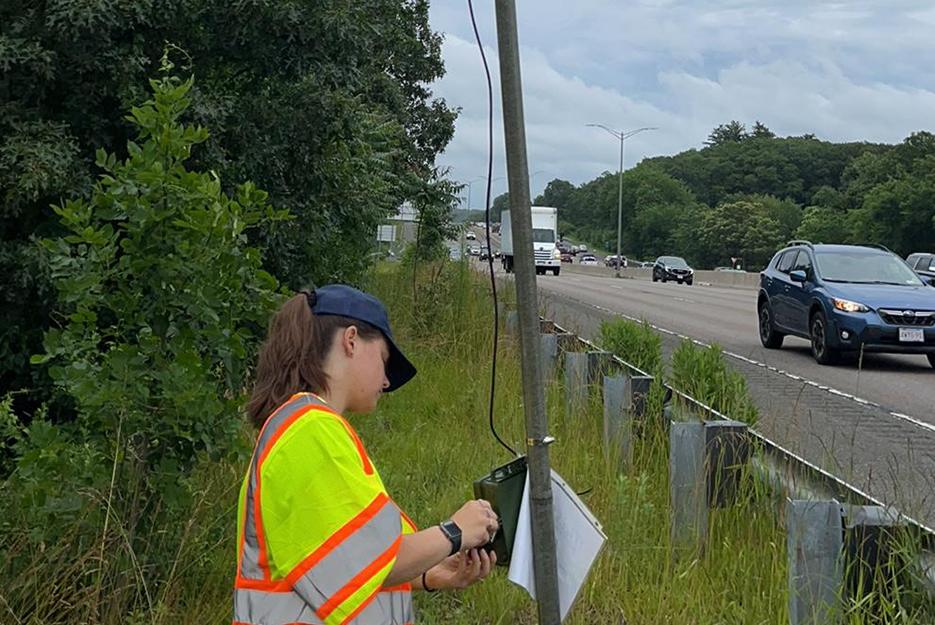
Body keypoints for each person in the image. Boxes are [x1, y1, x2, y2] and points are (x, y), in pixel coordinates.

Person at [233, 284, 499, 625]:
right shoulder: (308, 430)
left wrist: (429, 574)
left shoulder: (307, 428)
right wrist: (455, 532)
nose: (386, 381)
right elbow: (370, 560)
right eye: (385, 360)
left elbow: (346, 565)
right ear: (351, 340)